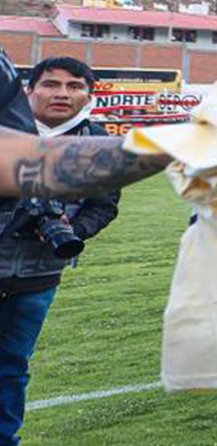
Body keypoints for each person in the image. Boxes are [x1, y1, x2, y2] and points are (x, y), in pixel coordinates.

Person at [0, 57, 118, 445]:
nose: (62, 94)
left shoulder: (99, 143)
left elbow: (103, 205)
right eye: (50, 84)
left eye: (74, 86)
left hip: (39, 275)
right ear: (29, 90)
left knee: (12, 366)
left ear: (89, 95)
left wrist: (71, 229)